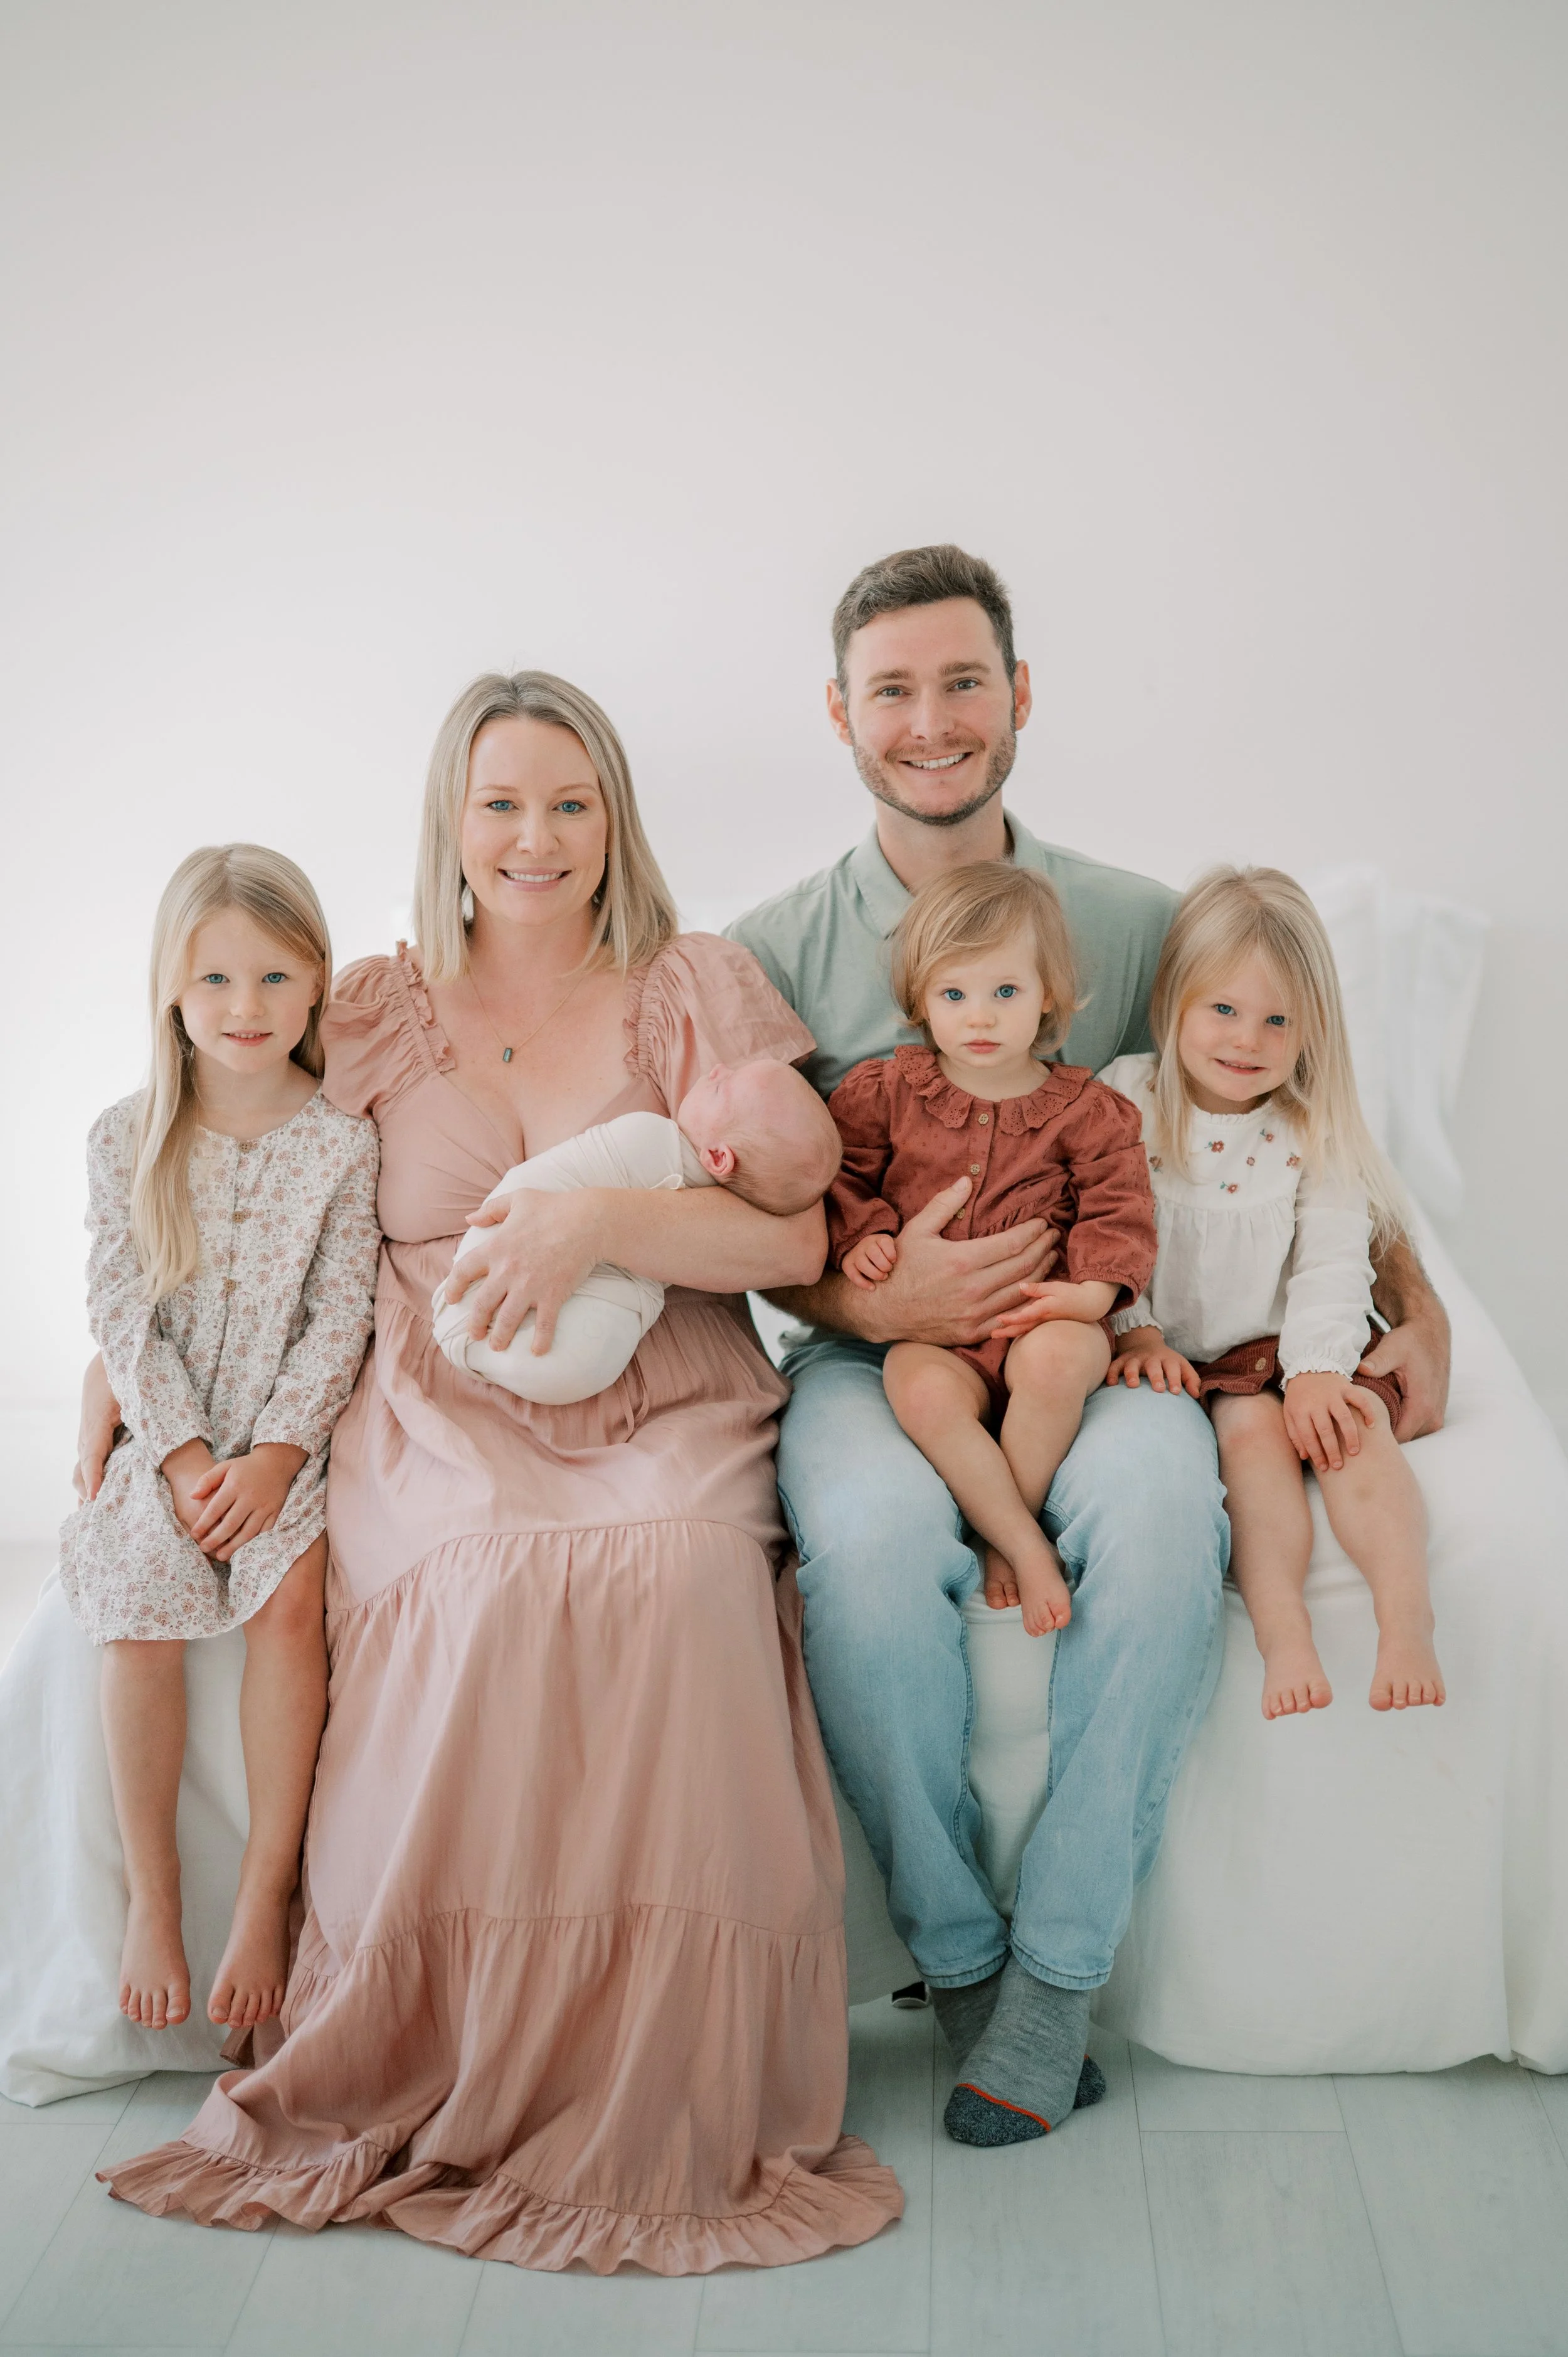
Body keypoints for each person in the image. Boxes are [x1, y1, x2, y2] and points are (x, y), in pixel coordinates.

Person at [92, 669, 901, 2274]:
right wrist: (129, 1384)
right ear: (451, 824)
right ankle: (436, 2038)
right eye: (502, 803)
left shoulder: (692, 986)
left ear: (614, 820)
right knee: (479, 1579)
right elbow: (219, 1165)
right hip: (434, 1390)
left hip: (660, 1372)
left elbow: (793, 1227)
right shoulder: (369, 1007)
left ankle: (653, 2069)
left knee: (674, 1571)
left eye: (570, 803)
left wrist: (602, 1220)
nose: (536, 837)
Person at [730, 543, 1452, 2148]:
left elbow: (1289, 1105)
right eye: (893, 689)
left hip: (1103, 1343)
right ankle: (957, 1947)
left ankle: (1056, 1966)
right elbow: (762, 1225)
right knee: (855, 1549)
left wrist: (1424, 1309)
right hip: (874, 1362)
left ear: (1020, 694)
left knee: (1151, 1515)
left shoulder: (1135, 921)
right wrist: (874, 1303)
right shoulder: (765, 951)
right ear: (839, 713)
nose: (931, 720)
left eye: (963, 680)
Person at [58, 844, 378, 2040]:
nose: (246, 1010)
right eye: (215, 982)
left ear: (315, 986)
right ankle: (157, 1898)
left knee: (291, 1606)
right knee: (136, 1610)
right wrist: (185, 1457)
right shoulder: (124, 1135)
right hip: (172, 1438)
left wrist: (279, 1457)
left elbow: (340, 1312)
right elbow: (120, 1311)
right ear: (172, 994)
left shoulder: (342, 1144)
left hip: (287, 1447)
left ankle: (264, 1896)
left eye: (275, 978)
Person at [1103, 866, 1444, 1718]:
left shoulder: (1309, 1129)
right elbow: (1102, 1231)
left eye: (1277, 1019)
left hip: (1290, 1342)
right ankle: (1284, 1629)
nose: (1246, 1039)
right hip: (1186, 1360)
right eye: (1223, 1009)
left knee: (1355, 1435)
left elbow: (1333, 1261)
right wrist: (1133, 1328)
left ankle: (1407, 1617)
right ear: (1174, 1001)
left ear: (1310, 1029)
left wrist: (1320, 1369)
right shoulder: (1127, 1098)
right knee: (1251, 1448)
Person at [825, 863, 1156, 1637]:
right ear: (920, 1001)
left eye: (1005, 992)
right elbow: (840, 1175)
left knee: (1060, 1359)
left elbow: (1122, 1206)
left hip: (1042, 1318)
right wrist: (864, 1236)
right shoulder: (885, 1093)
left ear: (1049, 997)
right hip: (937, 1337)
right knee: (920, 1390)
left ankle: (1007, 1529)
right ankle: (1020, 1543)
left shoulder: (1091, 1111)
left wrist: (1093, 1295)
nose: (980, 1017)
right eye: (954, 994)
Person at [432, 1057, 840, 1403]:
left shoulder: (658, 1143)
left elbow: (800, 1250)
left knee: (574, 1351)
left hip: (495, 1326)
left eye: (721, 1088)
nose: (715, 1069)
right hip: (485, 1292)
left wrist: (595, 1224)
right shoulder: (649, 1143)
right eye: (726, 1071)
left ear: (718, 1157)